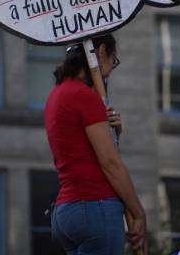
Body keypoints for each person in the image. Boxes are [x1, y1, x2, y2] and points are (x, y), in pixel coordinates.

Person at [44, 34, 147, 255]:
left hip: (66, 211)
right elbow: (110, 163)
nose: (111, 69)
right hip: (94, 206)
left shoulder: (56, 95)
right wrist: (138, 212)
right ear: (100, 52)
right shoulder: (85, 96)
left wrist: (113, 132)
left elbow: (81, 148)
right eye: (113, 60)